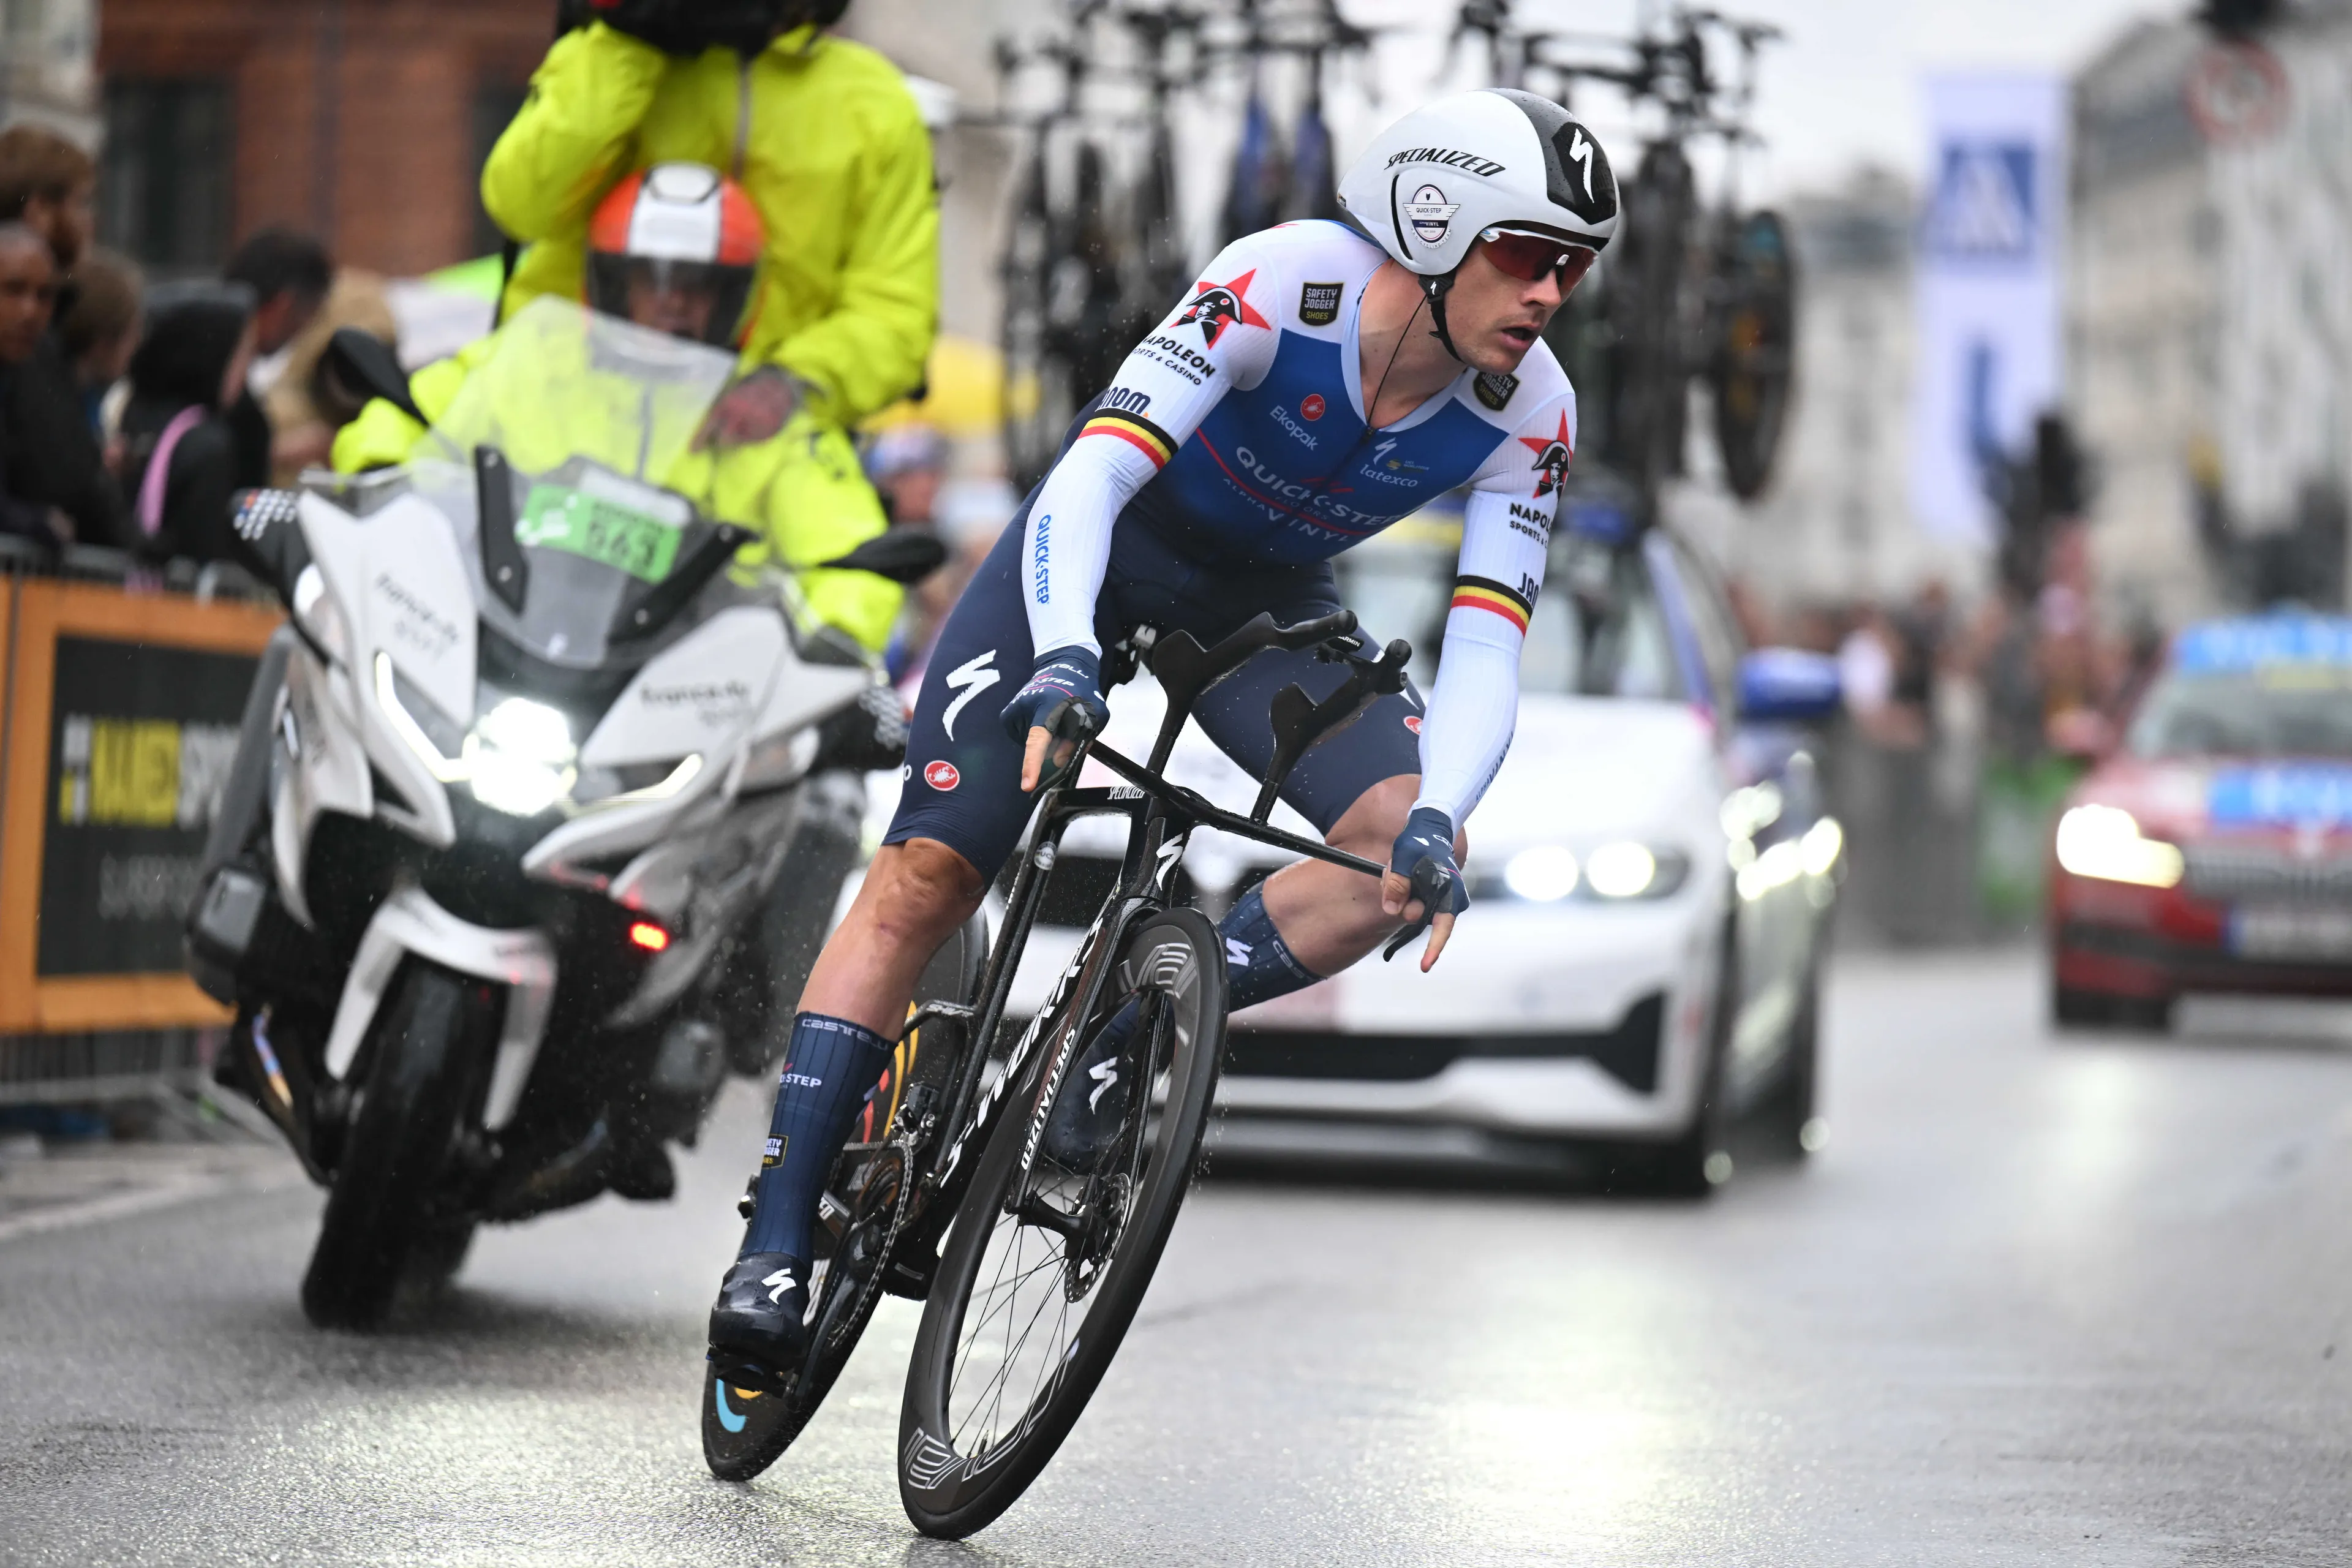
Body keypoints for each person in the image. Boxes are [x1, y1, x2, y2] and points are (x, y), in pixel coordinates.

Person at [707, 89, 1621, 1366]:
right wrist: (1068, 651)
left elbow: (1485, 644)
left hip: (1260, 614)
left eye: (1573, 268)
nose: (1551, 294)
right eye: (1528, 255)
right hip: (1092, 560)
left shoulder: (1532, 411)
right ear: (1433, 223)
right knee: (926, 872)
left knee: (1391, 869)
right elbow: (1097, 472)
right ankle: (779, 1235)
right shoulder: (1276, 284)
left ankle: (1125, 1036)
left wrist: (1432, 817)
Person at [477, 1, 935, 624]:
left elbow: (895, 313)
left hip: (752, 461)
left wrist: (789, 385)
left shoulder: (871, 103)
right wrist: (630, 38)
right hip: (560, 423)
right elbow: (520, 200)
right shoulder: (615, 51)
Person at [334, 162, 901, 654]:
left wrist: (836, 638)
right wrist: (374, 479)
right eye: (649, 279)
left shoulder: (766, 424)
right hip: (490, 645)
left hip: (678, 701)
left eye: (696, 285)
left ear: (734, 298)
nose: (672, 300)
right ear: (607, 281)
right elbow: (411, 415)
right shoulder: (531, 362)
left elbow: (850, 553)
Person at [0, 124, 123, 547]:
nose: (91, 221)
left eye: (44, 296)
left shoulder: (48, 332)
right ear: (39, 212)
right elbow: (57, 470)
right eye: (81, 202)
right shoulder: (29, 348)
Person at [119, 284, 257, 565]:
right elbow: (203, 549)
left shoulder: (136, 412)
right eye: (242, 353)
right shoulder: (209, 444)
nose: (247, 368)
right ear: (211, 356)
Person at [221, 228, 333, 488]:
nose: (303, 331)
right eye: (309, 314)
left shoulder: (219, 352)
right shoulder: (220, 365)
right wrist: (285, 450)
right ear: (285, 304)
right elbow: (201, 445)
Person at [0, 222, 70, 545]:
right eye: (13, 290)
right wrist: (38, 525)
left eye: (44, 296)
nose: (31, 311)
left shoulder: (28, 377)